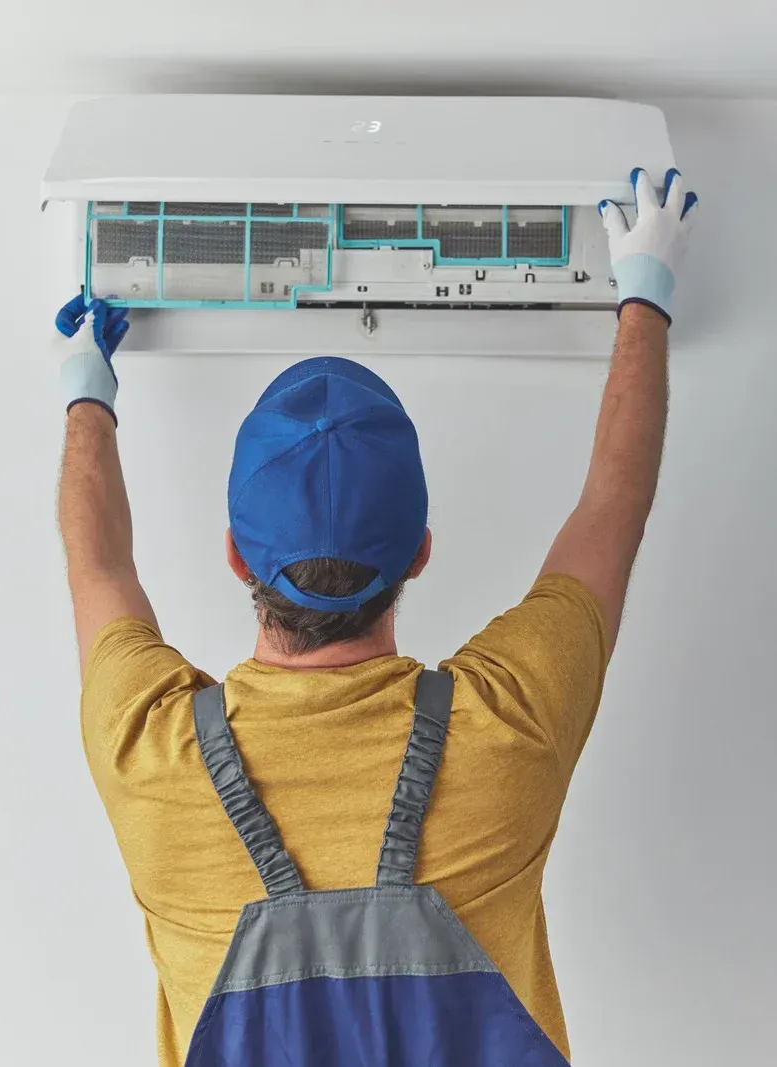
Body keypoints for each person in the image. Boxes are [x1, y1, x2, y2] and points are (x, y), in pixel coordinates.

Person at [56, 167, 697, 1067]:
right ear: (419, 552)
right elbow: (610, 514)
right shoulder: (508, 725)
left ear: (237, 556)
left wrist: (88, 390)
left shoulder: (149, 754)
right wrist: (644, 297)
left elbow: (97, 564)